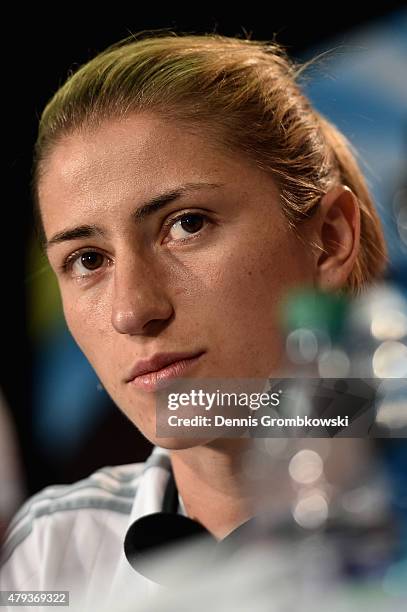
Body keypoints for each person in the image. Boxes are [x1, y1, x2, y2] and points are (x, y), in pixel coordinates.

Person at [0, 32, 388, 609]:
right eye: (88, 260)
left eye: (187, 225)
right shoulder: (52, 554)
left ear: (329, 239)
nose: (132, 310)